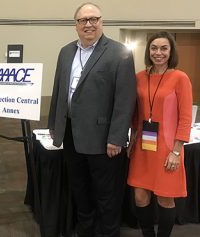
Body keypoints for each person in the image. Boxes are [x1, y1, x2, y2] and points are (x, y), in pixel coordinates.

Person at [48, 3, 136, 237]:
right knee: (81, 192)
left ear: (101, 22)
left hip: (103, 140)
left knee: (106, 196)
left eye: (93, 19)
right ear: (76, 25)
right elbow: (58, 91)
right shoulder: (66, 52)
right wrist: (54, 126)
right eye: (82, 20)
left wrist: (117, 137)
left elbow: (125, 99)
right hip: (70, 135)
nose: (88, 24)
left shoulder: (119, 52)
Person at [127, 31, 193, 237]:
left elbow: (185, 118)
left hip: (167, 148)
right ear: (148, 51)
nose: (158, 53)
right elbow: (135, 112)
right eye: (154, 48)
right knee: (140, 197)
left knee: (165, 198)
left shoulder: (180, 78)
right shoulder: (139, 77)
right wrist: (131, 138)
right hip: (143, 146)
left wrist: (176, 150)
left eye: (164, 48)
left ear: (171, 51)